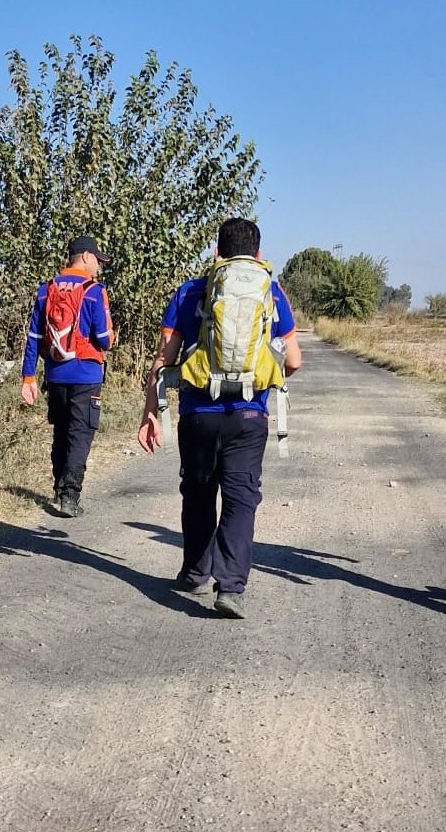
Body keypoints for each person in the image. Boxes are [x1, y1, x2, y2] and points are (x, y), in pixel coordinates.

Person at [137, 218, 302, 618]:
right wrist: (262, 379)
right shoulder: (272, 292)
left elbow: (165, 358)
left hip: (198, 413)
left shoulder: (191, 291)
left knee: (198, 494)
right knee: (240, 499)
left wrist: (150, 410)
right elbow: (294, 360)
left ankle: (195, 573)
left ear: (217, 253)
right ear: (258, 255)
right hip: (249, 414)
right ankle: (230, 588)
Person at [21, 235, 115, 517]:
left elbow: (34, 336)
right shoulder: (94, 291)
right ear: (85, 257)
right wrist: (112, 338)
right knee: (80, 435)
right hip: (86, 375)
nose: (98, 266)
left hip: (55, 374)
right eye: (98, 260)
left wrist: (29, 377)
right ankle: (70, 497)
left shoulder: (45, 289)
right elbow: (104, 338)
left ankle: (58, 489)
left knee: (61, 432)